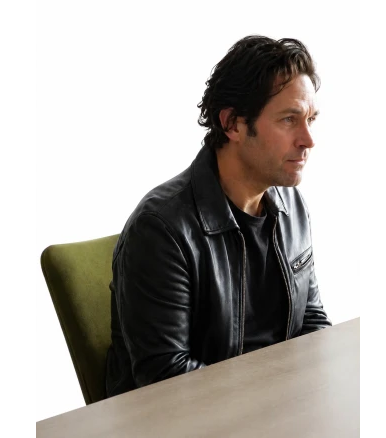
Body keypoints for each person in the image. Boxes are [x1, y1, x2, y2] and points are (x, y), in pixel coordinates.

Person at [106, 35, 332, 398]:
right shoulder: (161, 230)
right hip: (187, 418)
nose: (308, 139)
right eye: (289, 119)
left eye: (310, 119)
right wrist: (271, 398)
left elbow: (311, 322)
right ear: (233, 124)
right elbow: (167, 379)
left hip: (278, 408)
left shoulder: (291, 206)